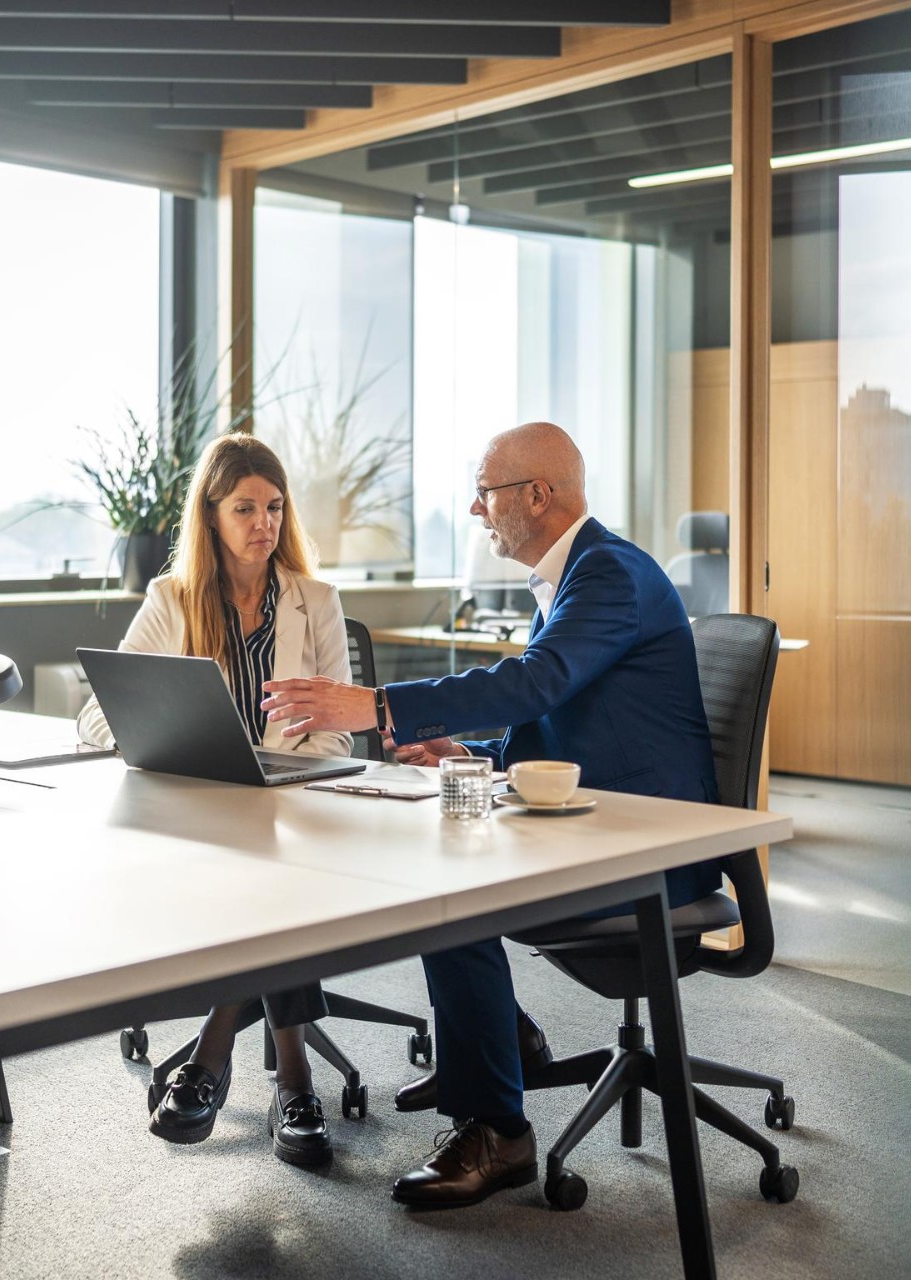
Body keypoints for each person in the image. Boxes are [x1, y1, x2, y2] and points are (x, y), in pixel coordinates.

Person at [261, 421, 719, 1207]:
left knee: (455, 892)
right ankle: (502, 1040)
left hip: (653, 850)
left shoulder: (608, 574)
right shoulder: (578, 576)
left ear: (538, 496)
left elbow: (538, 682)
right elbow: (560, 713)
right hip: (600, 819)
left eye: (487, 492)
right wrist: (476, 762)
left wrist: (377, 704)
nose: (477, 510)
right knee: (433, 853)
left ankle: (498, 1128)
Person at [78, 431, 354, 1168]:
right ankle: (293, 1086)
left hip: (293, 813)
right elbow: (98, 712)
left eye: (273, 506)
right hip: (200, 815)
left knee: (276, 877)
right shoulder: (172, 600)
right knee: (273, 887)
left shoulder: (317, 601)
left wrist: (277, 769)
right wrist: (169, 738)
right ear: (211, 514)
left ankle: (214, 1051)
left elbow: (338, 740)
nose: (263, 522)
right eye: (244, 508)